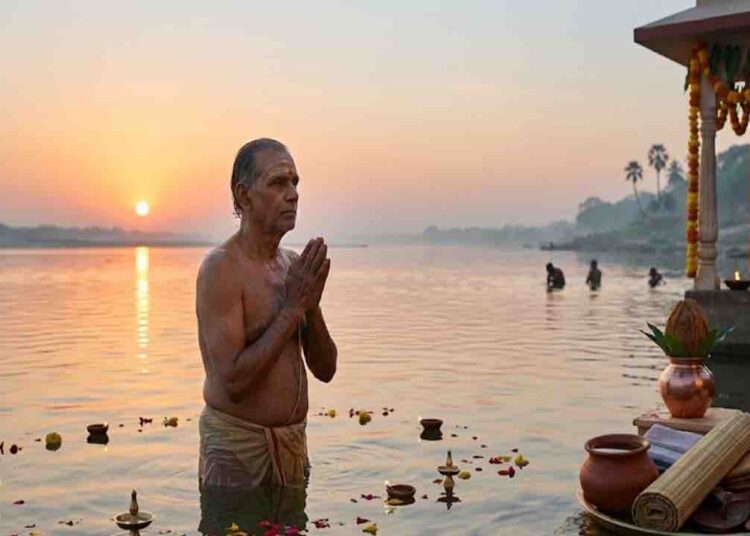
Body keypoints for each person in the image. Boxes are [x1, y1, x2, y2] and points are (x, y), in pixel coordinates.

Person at [196, 138, 338, 490]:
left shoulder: (292, 266)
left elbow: (326, 370)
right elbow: (233, 383)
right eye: (278, 183)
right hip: (238, 452)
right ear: (244, 196)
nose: (293, 194)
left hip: (292, 448)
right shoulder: (222, 270)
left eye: (295, 182)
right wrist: (293, 308)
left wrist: (312, 304)